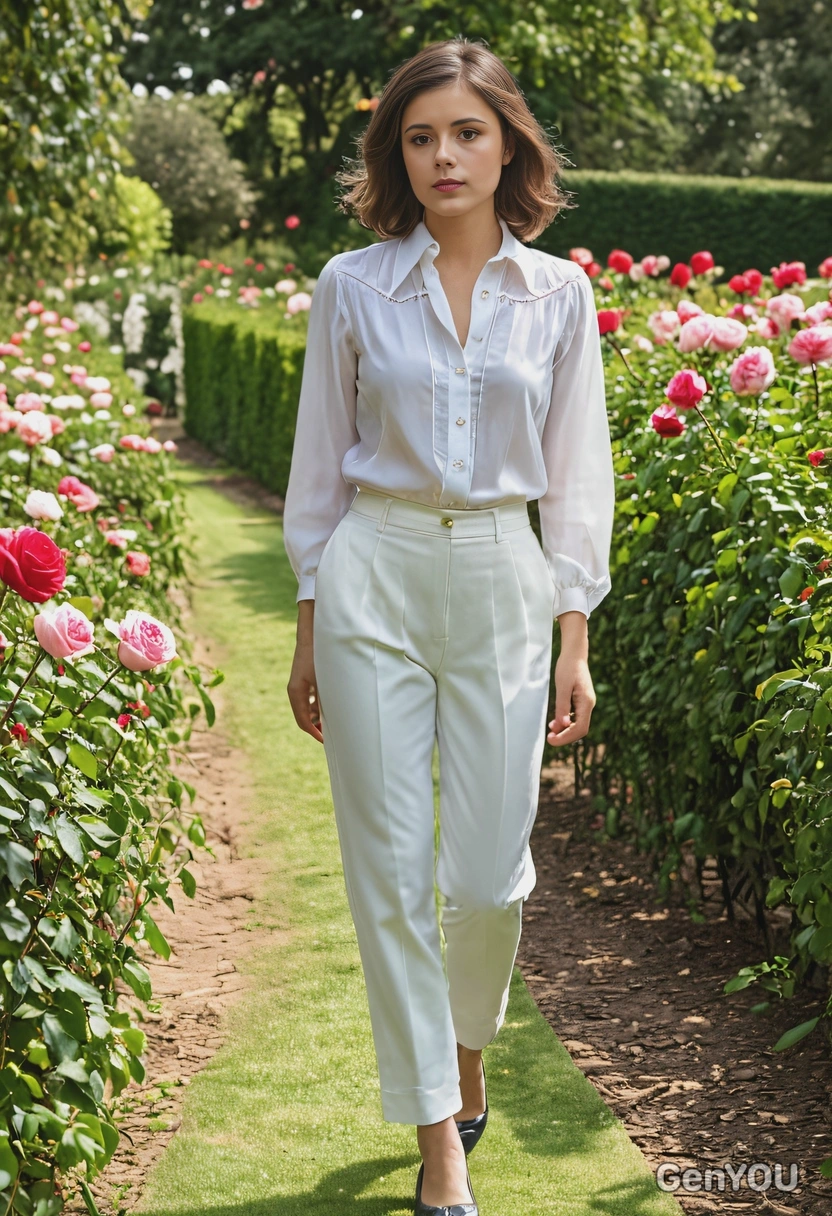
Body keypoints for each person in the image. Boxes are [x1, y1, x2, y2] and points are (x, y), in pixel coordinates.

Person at [284, 35, 615, 1216]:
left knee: (485, 879)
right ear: (398, 155)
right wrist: (310, 619)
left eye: (466, 131)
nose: (443, 155)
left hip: (501, 577)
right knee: (387, 870)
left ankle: (468, 1044)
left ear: (507, 141)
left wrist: (574, 628)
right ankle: (441, 1142)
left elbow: (578, 478)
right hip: (372, 568)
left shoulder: (561, 293)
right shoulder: (351, 285)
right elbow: (319, 469)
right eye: (419, 137)